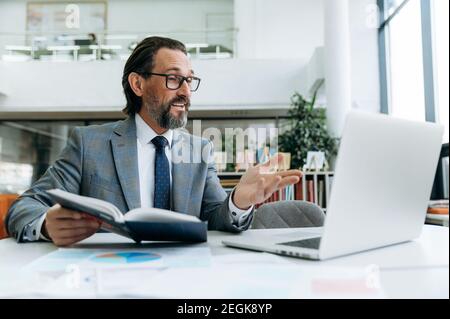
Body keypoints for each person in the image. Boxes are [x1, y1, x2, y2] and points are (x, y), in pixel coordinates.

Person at [6, 36, 302, 246]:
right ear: (138, 84)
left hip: (185, 281)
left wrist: (239, 201)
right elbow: (24, 207)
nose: (186, 91)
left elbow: (215, 218)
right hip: (108, 277)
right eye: (174, 79)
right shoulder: (88, 144)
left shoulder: (200, 149)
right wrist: (46, 224)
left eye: (190, 80)